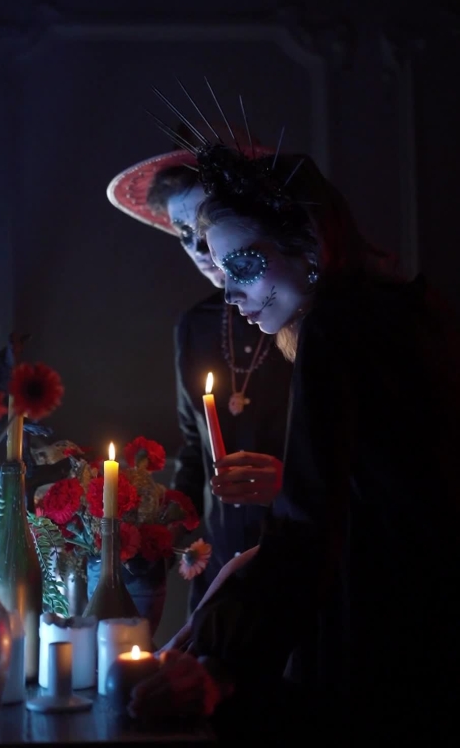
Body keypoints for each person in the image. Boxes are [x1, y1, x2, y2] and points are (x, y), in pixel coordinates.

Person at [125, 138, 460, 744]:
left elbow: (313, 525)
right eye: (220, 269)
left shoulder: (335, 326)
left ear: (309, 243)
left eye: (243, 266)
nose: (230, 294)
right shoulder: (397, 311)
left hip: (385, 630)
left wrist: (222, 663)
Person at [106, 141, 292, 610]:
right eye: (183, 232)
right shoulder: (196, 326)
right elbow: (195, 449)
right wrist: (158, 536)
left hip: (301, 553)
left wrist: (290, 483)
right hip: (219, 565)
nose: (196, 246)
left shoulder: (300, 315)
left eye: (205, 226)